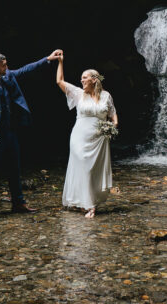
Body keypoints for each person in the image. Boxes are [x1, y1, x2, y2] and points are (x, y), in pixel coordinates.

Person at [0, 49, 62, 219]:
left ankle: (18, 203)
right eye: (4, 65)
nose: (7, 67)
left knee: (14, 168)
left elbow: (26, 69)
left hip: (10, 131)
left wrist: (47, 59)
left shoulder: (8, 76)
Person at [56, 55, 117, 218]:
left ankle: (88, 201)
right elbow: (59, 81)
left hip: (99, 139)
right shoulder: (78, 93)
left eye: (84, 78)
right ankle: (89, 205)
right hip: (79, 137)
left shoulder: (106, 96)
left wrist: (112, 127)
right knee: (83, 167)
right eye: (81, 78)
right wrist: (60, 62)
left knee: (93, 170)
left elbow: (113, 115)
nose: (81, 80)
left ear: (94, 80)